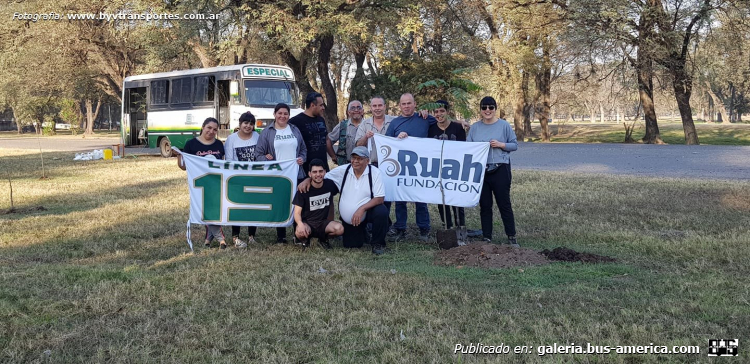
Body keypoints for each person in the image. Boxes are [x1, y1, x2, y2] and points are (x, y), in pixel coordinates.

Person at [298, 146, 389, 255]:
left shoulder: (375, 173)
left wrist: (361, 209)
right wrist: (308, 179)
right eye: (353, 158)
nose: (355, 161)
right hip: (352, 219)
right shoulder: (344, 170)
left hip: (368, 211)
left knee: (381, 211)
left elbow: (379, 198)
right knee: (352, 244)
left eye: (359, 159)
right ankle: (362, 232)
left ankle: (378, 243)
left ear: (367, 161)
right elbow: (321, 176)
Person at [384, 93, 438, 242]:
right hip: (401, 167)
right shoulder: (395, 123)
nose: (406, 106)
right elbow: (387, 143)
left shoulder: (425, 118)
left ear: (415, 104)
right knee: (400, 199)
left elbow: (443, 123)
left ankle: (424, 228)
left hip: (421, 167)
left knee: (421, 199)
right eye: (403, 104)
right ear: (400, 106)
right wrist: (397, 139)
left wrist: (461, 123)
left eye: (409, 103)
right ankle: (401, 228)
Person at [466, 96, 519, 247]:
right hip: (482, 170)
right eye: (484, 108)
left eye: (491, 107)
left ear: (495, 109)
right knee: (485, 205)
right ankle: (487, 236)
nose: (487, 110)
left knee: (504, 203)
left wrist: (501, 145)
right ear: (480, 110)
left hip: (500, 168)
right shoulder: (475, 128)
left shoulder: (504, 126)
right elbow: (468, 147)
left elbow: (514, 145)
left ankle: (511, 236)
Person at [254, 103, 307, 243]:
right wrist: (266, 158)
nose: (282, 116)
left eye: (285, 114)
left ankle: (298, 235)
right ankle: (281, 236)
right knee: (281, 204)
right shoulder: (267, 132)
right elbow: (257, 154)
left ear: (289, 116)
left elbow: (303, 149)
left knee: (298, 204)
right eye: (280, 113)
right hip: (278, 176)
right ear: (274, 114)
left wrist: (302, 158)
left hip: (297, 174)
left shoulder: (295, 129)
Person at [176, 117, 227, 249]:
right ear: (203, 127)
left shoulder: (219, 145)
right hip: (199, 184)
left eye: (215, 129)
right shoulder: (191, 144)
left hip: (216, 182)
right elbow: (184, 166)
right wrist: (178, 156)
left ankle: (208, 239)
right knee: (205, 209)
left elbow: (222, 164)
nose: (211, 131)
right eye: (209, 128)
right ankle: (221, 239)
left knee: (215, 210)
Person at [428, 100, 467, 235]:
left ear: (447, 112)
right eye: (436, 112)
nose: (439, 114)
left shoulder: (458, 128)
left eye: (442, 111)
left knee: (457, 198)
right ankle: (447, 227)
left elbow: (464, 148)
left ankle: (460, 226)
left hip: (455, 169)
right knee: (441, 199)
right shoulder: (431, 129)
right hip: (438, 169)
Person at [224, 111, 260, 248]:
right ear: (240, 124)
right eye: (245, 123)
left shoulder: (257, 136)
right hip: (238, 179)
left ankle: (252, 236)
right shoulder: (231, 139)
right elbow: (229, 159)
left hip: (254, 178)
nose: (248, 126)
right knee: (237, 208)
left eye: (251, 124)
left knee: (253, 207)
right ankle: (235, 237)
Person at [292, 159, 344, 249]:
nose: (318, 174)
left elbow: (332, 200)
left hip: (323, 223)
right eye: (314, 172)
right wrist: (300, 225)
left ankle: (323, 239)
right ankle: (305, 240)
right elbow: (296, 213)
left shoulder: (330, 185)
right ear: (309, 174)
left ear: (325, 172)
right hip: (308, 223)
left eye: (320, 171)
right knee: (299, 232)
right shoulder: (303, 189)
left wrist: (331, 219)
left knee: (340, 229)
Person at [289, 91, 330, 174]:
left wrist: (333, 156)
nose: (323, 108)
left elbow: (326, 139)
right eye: (321, 105)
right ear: (312, 105)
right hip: (305, 169)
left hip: (323, 167)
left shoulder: (321, 119)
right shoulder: (295, 122)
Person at [354, 96, 395, 167]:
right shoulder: (364, 124)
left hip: (391, 165)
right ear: (371, 108)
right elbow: (358, 145)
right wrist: (366, 137)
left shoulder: (394, 121)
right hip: (371, 165)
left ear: (384, 107)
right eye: (374, 106)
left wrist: (420, 114)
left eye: (380, 105)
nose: (377, 108)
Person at [327, 100, 364, 165]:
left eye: (359, 107)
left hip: (363, 165)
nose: (356, 110)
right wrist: (333, 156)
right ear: (348, 112)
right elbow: (328, 140)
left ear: (362, 111)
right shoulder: (342, 126)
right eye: (353, 108)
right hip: (345, 164)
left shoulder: (368, 125)